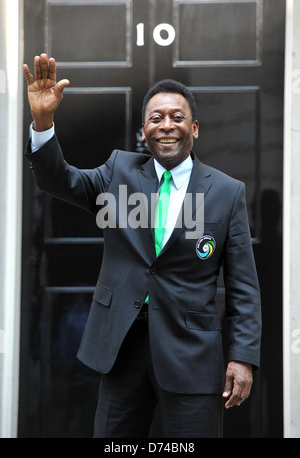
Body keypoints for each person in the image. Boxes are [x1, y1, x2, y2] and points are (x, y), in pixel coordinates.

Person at [23, 53, 261, 438]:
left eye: (177, 117)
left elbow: (244, 288)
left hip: (191, 352)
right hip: (122, 346)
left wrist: (243, 357)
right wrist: (43, 121)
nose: (167, 126)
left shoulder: (227, 192)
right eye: (156, 118)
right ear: (144, 131)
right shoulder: (118, 171)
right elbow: (59, 181)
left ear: (195, 128)